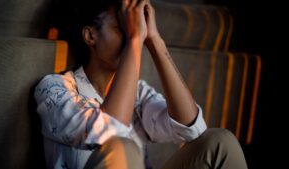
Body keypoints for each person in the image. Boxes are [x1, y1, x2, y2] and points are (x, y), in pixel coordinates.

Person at [34, 0, 248, 168]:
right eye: (123, 28)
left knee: (220, 141)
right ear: (90, 36)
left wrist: (154, 39)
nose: (133, 35)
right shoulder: (54, 89)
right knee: (121, 146)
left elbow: (193, 129)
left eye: (136, 29)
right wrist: (135, 39)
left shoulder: (139, 92)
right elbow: (111, 134)